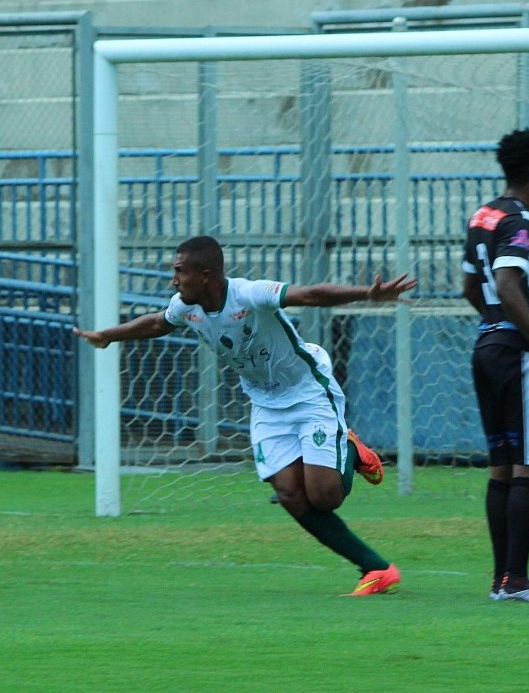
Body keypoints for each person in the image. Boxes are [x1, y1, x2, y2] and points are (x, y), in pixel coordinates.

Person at [73, 235, 415, 596]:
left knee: (325, 497)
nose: (174, 281)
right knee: (289, 495)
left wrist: (367, 293)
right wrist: (109, 336)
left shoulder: (250, 294)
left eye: (179, 272)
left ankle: (348, 446)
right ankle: (376, 569)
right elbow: (158, 323)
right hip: (266, 404)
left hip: (308, 391)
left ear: (205, 275)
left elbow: (310, 295)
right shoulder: (185, 306)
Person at [461, 128, 529, 604]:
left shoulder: (483, 216)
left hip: (486, 349)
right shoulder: (521, 220)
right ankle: (516, 580)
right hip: (518, 356)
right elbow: (508, 283)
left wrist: (493, 326)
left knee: (501, 467)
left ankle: (501, 579)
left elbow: (470, 286)